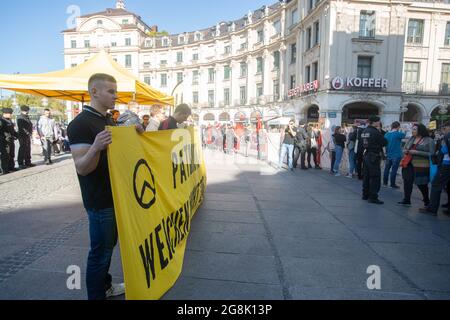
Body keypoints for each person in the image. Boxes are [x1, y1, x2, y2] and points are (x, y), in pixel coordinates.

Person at [67, 73, 132, 300]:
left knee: (107, 248)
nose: (116, 96)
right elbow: (82, 168)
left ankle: (105, 287)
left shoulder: (108, 119)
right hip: (100, 200)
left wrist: (136, 134)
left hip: (114, 196)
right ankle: (96, 296)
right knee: (101, 252)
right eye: (111, 91)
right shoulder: (80, 124)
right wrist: (95, 147)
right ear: (95, 92)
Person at [398, 124, 434, 207]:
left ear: (420, 130)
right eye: (412, 129)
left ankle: (426, 200)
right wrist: (405, 150)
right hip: (408, 163)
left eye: (414, 129)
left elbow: (431, 154)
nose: (412, 131)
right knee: (407, 181)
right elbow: (405, 147)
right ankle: (407, 200)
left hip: (421, 165)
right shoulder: (411, 138)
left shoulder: (428, 140)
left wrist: (416, 152)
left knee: (421, 183)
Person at [418, 122, 450, 215]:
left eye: (445, 127)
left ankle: (432, 208)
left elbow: (444, 150)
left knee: (436, 184)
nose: (444, 129)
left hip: (446, 164)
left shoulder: (447, 136)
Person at [361, 116, 388, 204]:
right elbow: (385, 142)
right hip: (374, 155)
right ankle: (373, 197)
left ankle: (365, 194)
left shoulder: (364, 131)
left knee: (366, 176)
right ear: (375, 122)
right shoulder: (375, 132)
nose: (379, 123)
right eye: (378, 121)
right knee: (375, 176)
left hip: (366, 154)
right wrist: (380, 131)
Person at [383, 121, 406, 189]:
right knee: (394, 170)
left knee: (386, 169)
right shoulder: (398, 134)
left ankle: (385, 183)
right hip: (396, 154)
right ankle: (392, 184)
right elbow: (404, 135)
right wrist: (404, 130)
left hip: (388, 154)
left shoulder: (386, 134)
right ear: (398, 127)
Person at [0, 108, 18, 174]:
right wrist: (4, 137)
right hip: (4, 141)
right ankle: (4, 169)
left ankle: (11, 167)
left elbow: (12, 130)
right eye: (10, 113)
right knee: (5, 155)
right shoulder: (1, 120)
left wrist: (17, 135)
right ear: (5, 114)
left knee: (11, 154)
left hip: (11, 140)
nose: (11, 115)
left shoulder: (9, 120)